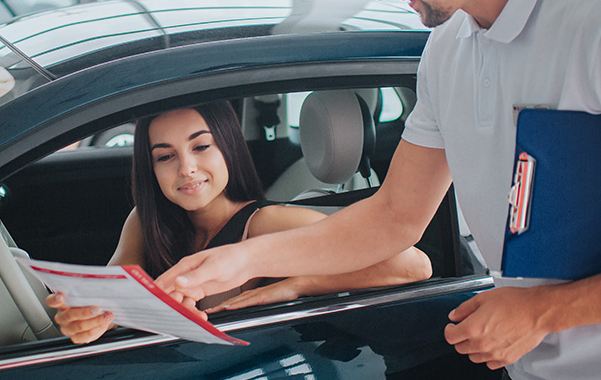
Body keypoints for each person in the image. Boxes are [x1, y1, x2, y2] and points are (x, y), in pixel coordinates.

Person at [154, 0, 601, 380]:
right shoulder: (445, 51)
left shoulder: (589, 25)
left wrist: (544, 310)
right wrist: (242, 261)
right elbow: (393, 217)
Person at [46, 100, 431, 344]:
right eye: (165, 156)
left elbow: (412, 266)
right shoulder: (146, 221)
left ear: (228, 146)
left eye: (201, 146)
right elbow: (115, 293)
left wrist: (300, 284)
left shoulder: (265, 222)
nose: (187, 168)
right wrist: (91, 318)